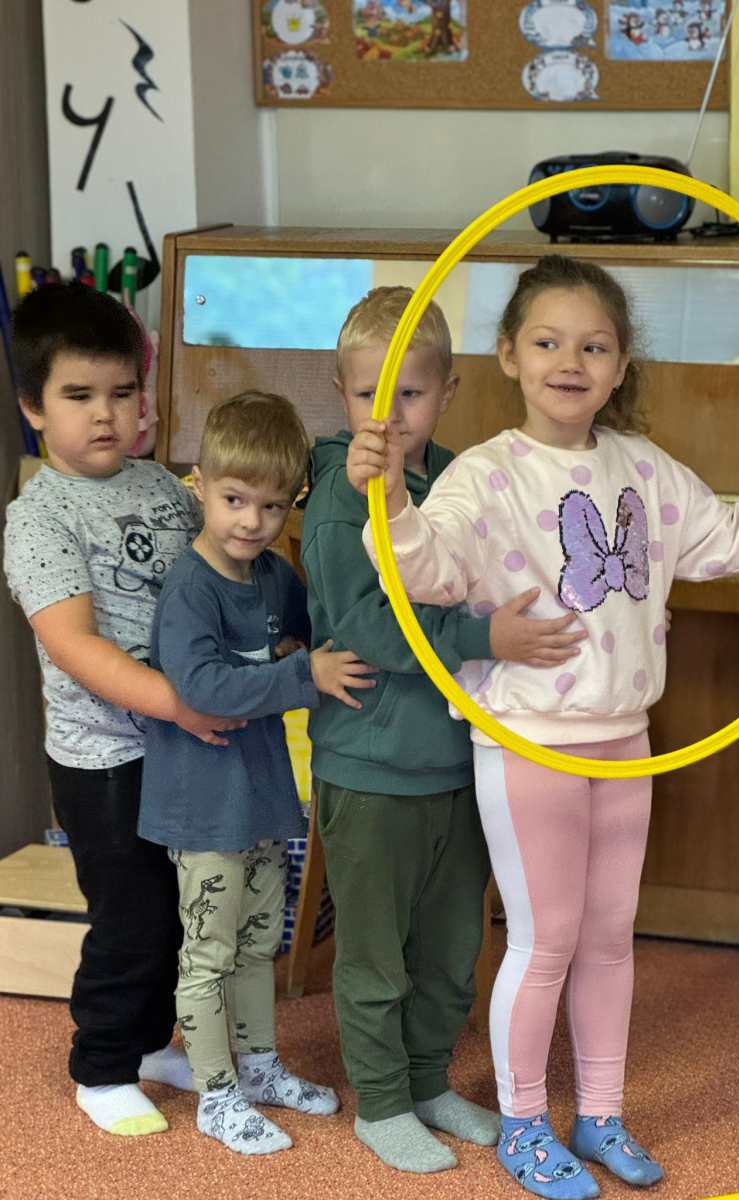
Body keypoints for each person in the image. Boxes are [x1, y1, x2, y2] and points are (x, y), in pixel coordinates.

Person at [348, 255, 739, 1198]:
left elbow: (726, 538)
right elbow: (424, 570)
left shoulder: (645, 468)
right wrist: (389, 498)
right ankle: (523, 1125)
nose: (571, 361)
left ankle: (599, 1113)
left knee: (608, 936)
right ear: (509, 355)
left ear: (621, 363)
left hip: (624, 739)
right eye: (548, 342)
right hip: (528, 742)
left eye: (594, 346)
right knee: (545, 938)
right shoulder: (485, 474)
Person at [300, 286, 586, 1174]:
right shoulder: (340, 496)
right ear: (340, 394)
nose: (388, 418)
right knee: (376, 957)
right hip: (372, 769)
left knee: (452, 950)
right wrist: (480, 639)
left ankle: (426, 1082)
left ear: (448, 392)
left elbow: (505, 573)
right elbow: (369, 627)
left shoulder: (462, 481)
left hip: (460, 765)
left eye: (412, 395)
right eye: (368, 397)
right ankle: (382, 1103)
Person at [3, 283, 247, 1137]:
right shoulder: (36, 519)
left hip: (182, 745)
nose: (105, 414)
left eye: (122, 391)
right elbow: (75, 644)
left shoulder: (166, 489)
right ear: (33, 406)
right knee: (131, 917)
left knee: (182, 911)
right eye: (78, 395)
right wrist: (180, 704)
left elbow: (213, 576)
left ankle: (148, 1044)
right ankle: (102, 1066)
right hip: (104, 758)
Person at [138, 392, 374, 1154]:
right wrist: (301, 674)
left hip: (265, 799)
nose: (252, 521)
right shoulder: (190, 588)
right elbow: (201, 687)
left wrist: (299, 657)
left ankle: (261, 1067)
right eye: (235, 499)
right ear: (200, 484)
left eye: (273, 506)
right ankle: (216, 1094)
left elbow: (305, 636)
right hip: (203, 810)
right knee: (208, 954)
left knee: (257, 943)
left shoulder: (274, 575)